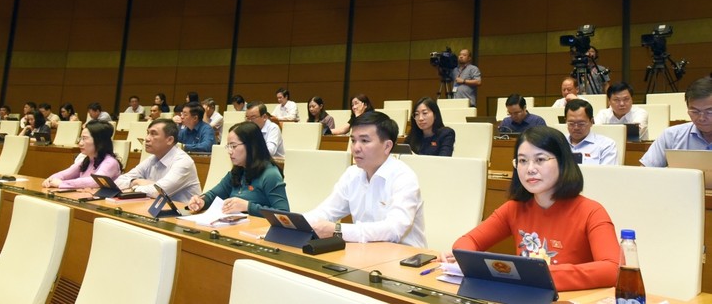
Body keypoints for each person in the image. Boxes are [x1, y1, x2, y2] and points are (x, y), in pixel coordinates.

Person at [452, 126, 619, 291]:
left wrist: (536, 275)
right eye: (523, 161)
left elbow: (613, 269)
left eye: (540, 159)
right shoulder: (514, 208)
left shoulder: (591, 211)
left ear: (562, 162)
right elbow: (466, 243)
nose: (530, 169)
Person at [304, 111, 426, 247]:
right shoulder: (352, 174)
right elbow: (326, 211)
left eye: (364, 141)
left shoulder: (403, 177)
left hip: (405, 259)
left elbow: (394, 229)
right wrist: (295, 223)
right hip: (364, 252)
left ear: (387, 146)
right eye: (353, 140)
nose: (356, 148)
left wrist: (338, 230)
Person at [187, 121, 289, 217]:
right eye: (228, 146)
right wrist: (201, 201)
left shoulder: (270, 174)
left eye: (234, 146)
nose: (230, 151)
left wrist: (248, 207)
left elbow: (283, 214)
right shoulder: (238, 171)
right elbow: (213, 195)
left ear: (251, 146)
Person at [115, 118, 201, 202]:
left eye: (153, 134)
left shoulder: (183, 162)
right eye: (148, 133)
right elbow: (118, 181)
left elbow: (158, 192)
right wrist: (135, 181)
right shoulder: (153, 158)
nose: (147, 139)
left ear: (170, 140)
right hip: (153, 209)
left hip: (182, 213)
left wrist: (133, 188)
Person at [640, 76, 712, 167]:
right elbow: (645, 170)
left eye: (709, 111)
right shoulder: (671, 135)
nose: (702, 118)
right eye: (695, 111)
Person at [42, 121, 122, 189]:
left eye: (85, 138)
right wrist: (51, 179)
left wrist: (62, 184)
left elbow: (95, 181)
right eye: (80, 138)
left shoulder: (110, 162)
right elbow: (65, 174)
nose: (80, 143)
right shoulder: (86, 160)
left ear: (99, 141)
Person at [564, 99, 617, 165]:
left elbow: (607, 173)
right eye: (571, 123)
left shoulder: (606, 145)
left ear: (591, 122)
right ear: (565, 121)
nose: (576, 128)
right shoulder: (557, 142)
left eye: (581, 123)